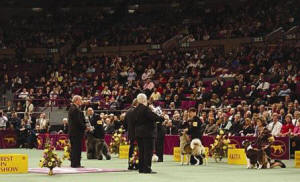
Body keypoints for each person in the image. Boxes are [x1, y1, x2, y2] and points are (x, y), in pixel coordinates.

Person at [134, 93, 164, 174]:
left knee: (141, 151)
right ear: (144, 100)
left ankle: (141, 168)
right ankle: (147, 169)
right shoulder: (146, 109)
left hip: (139, 133)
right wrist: (160, 116)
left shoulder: (135, 109)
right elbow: (156, 118)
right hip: (148, 134)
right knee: (148, 152)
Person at [68, 95, 87, 168]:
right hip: (76, 132)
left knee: (75, 148)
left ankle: (74, 163)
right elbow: (77, 121)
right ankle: (76, 164)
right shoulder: (74, 109)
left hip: (74, 132)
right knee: (76, 148)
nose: (81, 101)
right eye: (81, 100)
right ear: (77, 101)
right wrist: (85, 127)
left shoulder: (73, 108)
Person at [124, 98, 138, 170]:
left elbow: (124, 124)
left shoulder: (128, 111)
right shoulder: (137, 111)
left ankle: (130, 164)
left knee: (131, 149)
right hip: (138, 133)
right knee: (137, 149)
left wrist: (128, 130)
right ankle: (137, 164)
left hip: (131, 133)